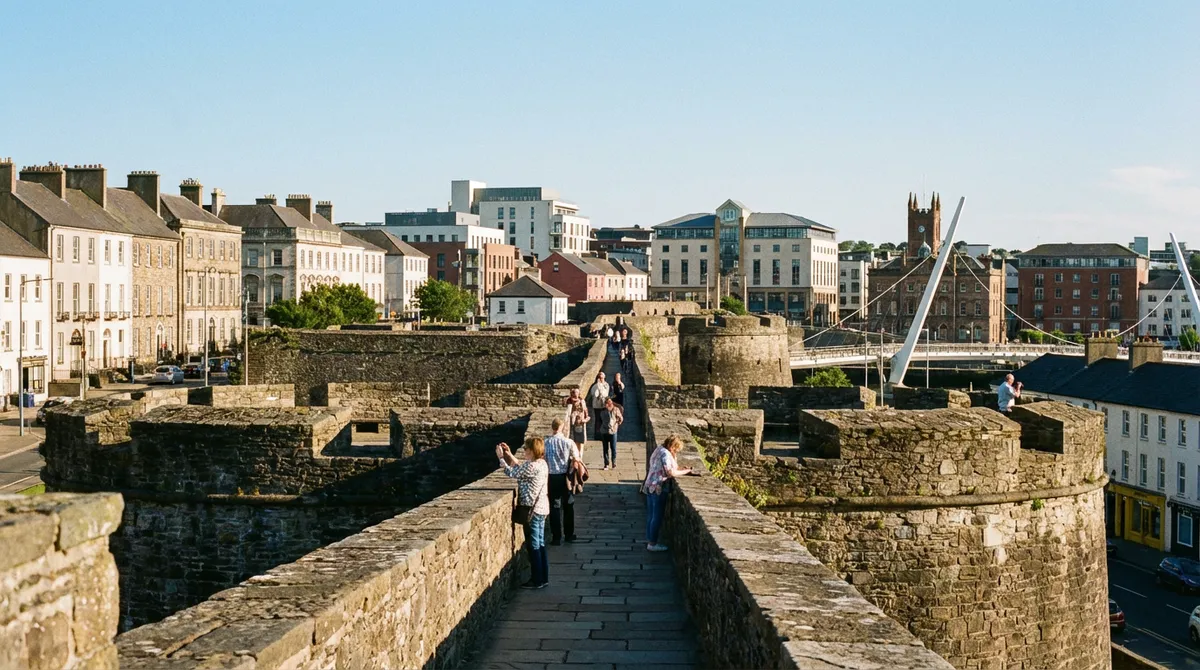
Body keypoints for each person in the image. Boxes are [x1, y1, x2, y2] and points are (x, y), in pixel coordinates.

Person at [497, 437, 550, 588]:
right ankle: (543, 577)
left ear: (532, 451)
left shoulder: (532, 467)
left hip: (531, 511)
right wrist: (509, 454)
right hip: (541, 508)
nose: (524, 451)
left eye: (526, 449)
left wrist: (501, 458)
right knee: (540, 544)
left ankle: (537, 580)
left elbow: (512, 472)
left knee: (533, 545)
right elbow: (521, 467)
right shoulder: (542, 464)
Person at [642, 435, 693, 552]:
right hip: (658, 487)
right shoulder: (665, 454)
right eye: (676, 449)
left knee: (651, 515)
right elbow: (670, 472)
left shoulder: (659, 449)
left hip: (649, 484)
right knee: (657, 516)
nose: (677, 452)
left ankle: (650, 538)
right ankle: (652, 543)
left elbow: (664, 466)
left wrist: (679, 467)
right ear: (672, 446)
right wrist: (686, 471)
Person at [544, 417, 582, 545]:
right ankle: (569, 534)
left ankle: (556, 537)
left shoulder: (546, 442)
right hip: (566, 477)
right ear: (561, 427)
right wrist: (571, 467)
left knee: (554, 507)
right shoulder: (568, 442)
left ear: (552, 427)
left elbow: (543, 459)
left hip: (551, 477)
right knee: (568, 505)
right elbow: (577, 458)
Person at [597, 397, 623, 470]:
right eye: (607, 402)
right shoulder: (602, 411)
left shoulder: (615, 409)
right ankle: (606, 464)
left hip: (613, 431)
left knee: (613, 448)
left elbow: (621, 418)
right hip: (604, 431)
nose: (609, 404)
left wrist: (617, 423)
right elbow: (599, 420)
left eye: (610, 402)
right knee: (605, 448)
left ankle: (614, 463)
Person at [588, 372, 609, 438]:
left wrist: (599, 386)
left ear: (604, 377)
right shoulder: (595, 385)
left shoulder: (606, 385)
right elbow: (594, 393)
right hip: (596, 405)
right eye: (600, 376)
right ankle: (597, 434)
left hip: (603, 404)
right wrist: (598, 385)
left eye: (602, 376)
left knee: (603, 419)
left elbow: (605, 394)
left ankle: (603, 433)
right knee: (597, 419)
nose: (601, 378)